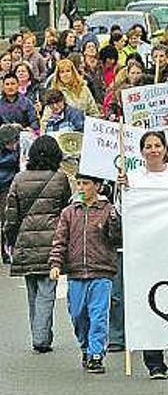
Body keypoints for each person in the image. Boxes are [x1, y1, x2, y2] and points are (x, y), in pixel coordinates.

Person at [116, 131, 168, 379]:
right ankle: (154, 363)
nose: (153, 150)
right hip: (144, 251)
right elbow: (122, 211)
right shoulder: (133, 177)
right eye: (148, 146)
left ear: (165, 148)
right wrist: (122, 190)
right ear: (141, 152)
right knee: (148, 305)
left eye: (157, 145)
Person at [48, 173, 121, 374]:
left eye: (86, 183)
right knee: (78, 315)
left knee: (98, 315)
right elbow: (60, 240)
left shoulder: (108, 210)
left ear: (97, 186)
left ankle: (96, 354)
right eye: (78, 183)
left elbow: (117, 239)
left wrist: (115, 222)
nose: (81, 187)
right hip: (76, 272)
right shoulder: (69, 212)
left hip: (101, 271)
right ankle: (86, 347)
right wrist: (56, 263)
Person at [4, 136, 72, 353]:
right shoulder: (60, 179)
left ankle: (40, 333)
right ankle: (42, 336)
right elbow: (66, 212)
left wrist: (12, 241)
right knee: (47, 290)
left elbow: (11, 217)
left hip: (25, 241)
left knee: (32, 290)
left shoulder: (18, 179)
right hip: (52, 241)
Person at [0, 124, 20, 263]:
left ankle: (6, 251)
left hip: (8, 186)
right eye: (8, 143)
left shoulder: (19, 148)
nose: (12, 145)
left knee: (6, 219)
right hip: (4, 183)